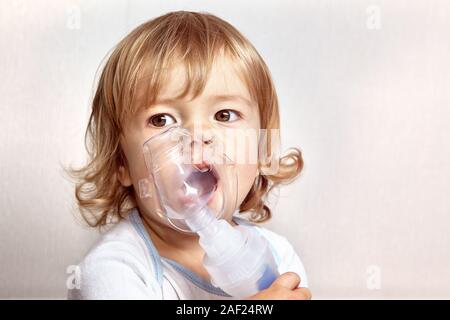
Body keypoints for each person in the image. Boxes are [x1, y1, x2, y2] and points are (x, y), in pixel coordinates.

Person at [68, 10, 311, 300]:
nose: (198, 135)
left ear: (260, 149)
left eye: (224, 114)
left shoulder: (278, 257)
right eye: (161, 120)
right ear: (122, 162)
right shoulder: (112, 271)